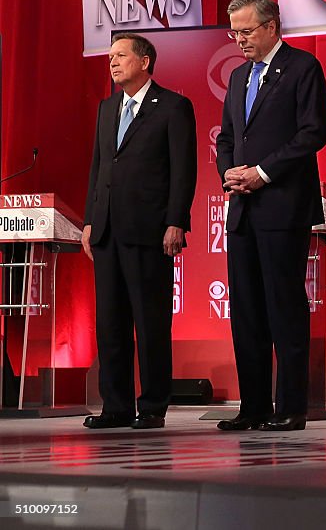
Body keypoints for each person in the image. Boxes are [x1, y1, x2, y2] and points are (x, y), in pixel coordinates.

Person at [215, 0, 326, 432]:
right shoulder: (239, 77)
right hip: (242, 207)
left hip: (283, 206)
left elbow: (312, 133)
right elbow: (227, 136)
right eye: (235, 32)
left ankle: (290, 407)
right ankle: (254, 405)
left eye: (246, 31)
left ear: (271, 27)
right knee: (245, 311)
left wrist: (262, 172)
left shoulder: (302, 68)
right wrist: (230, 173)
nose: (239, 40)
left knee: (284, 307)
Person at [82, 33, 197, 429]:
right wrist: (89, 220)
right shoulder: (107, 107)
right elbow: (99, 168)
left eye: (120, 56)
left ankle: (151, 406)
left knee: (150, 324)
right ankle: (115, 406)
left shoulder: (172, 107)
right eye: (110, 57)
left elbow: (184, 171)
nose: (112, 63)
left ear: (144, 61)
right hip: (107, 231)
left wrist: (176, 221)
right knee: (110, 323)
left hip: (150, 231)